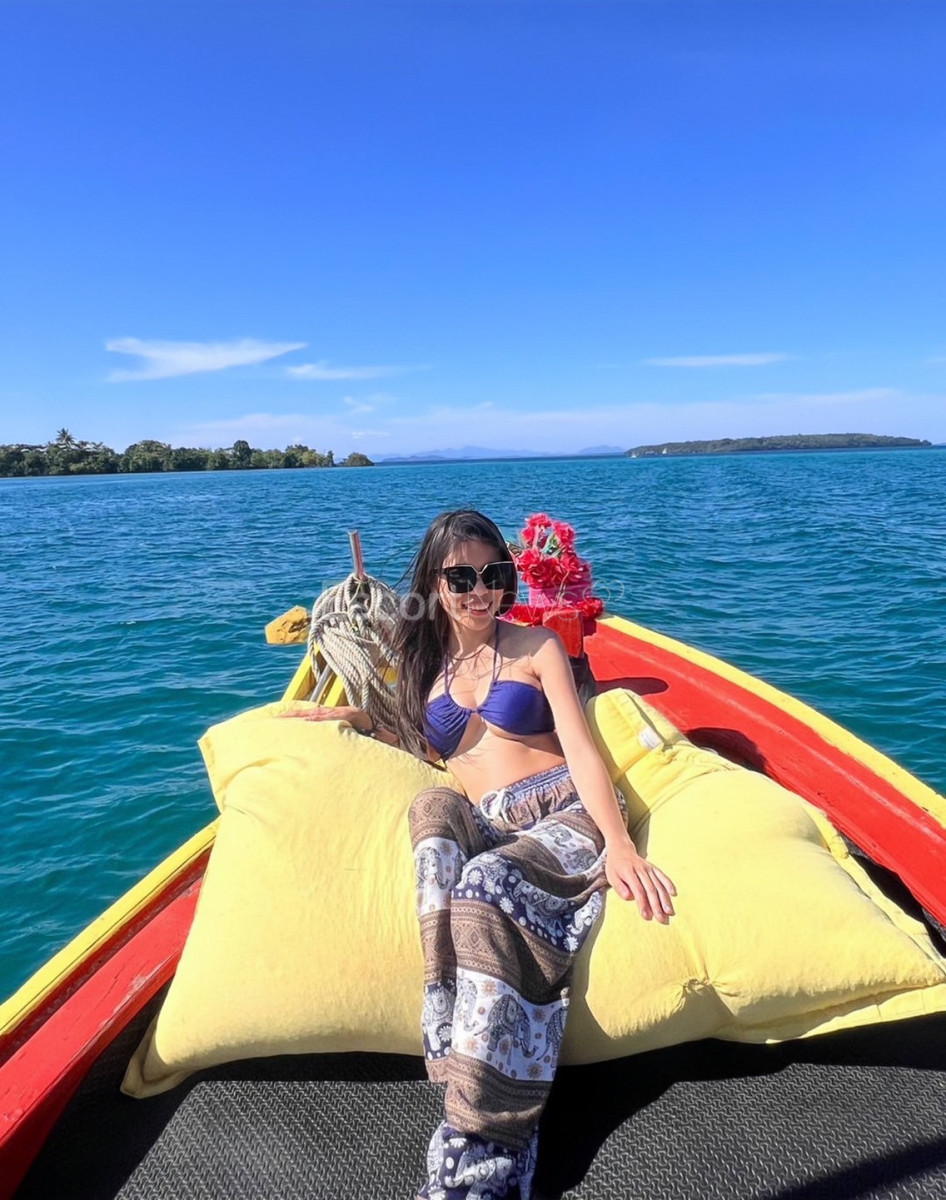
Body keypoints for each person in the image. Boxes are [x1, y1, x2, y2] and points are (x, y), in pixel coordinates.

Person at [287, 509, 676, 1200]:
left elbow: (582, 749)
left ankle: (482, 1152)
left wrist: (618, 844)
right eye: (460, 577)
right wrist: (358, 718)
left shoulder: (535, 647)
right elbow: (421, 746)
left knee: (486, 882)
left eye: (493, 574)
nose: (480, 591)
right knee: (431, 811)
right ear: (433, 584)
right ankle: (446, 1008)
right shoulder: (424, 665)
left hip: (561, 812)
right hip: (490, 820)